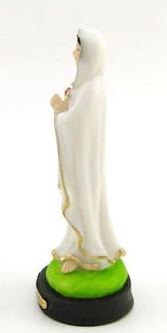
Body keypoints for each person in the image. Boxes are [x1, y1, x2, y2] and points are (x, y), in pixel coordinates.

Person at [50, 28, 125, 274]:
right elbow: (78, 114)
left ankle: (85, 254)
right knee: (80, 203)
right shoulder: (88, 84)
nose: (74, 52)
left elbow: (76, 124)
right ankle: (75, 249)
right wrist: (67, 105)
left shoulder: (93, 88)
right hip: (82, 159)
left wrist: (59, 113)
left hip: (84, 162)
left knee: (82, 202)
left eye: (79, 49)